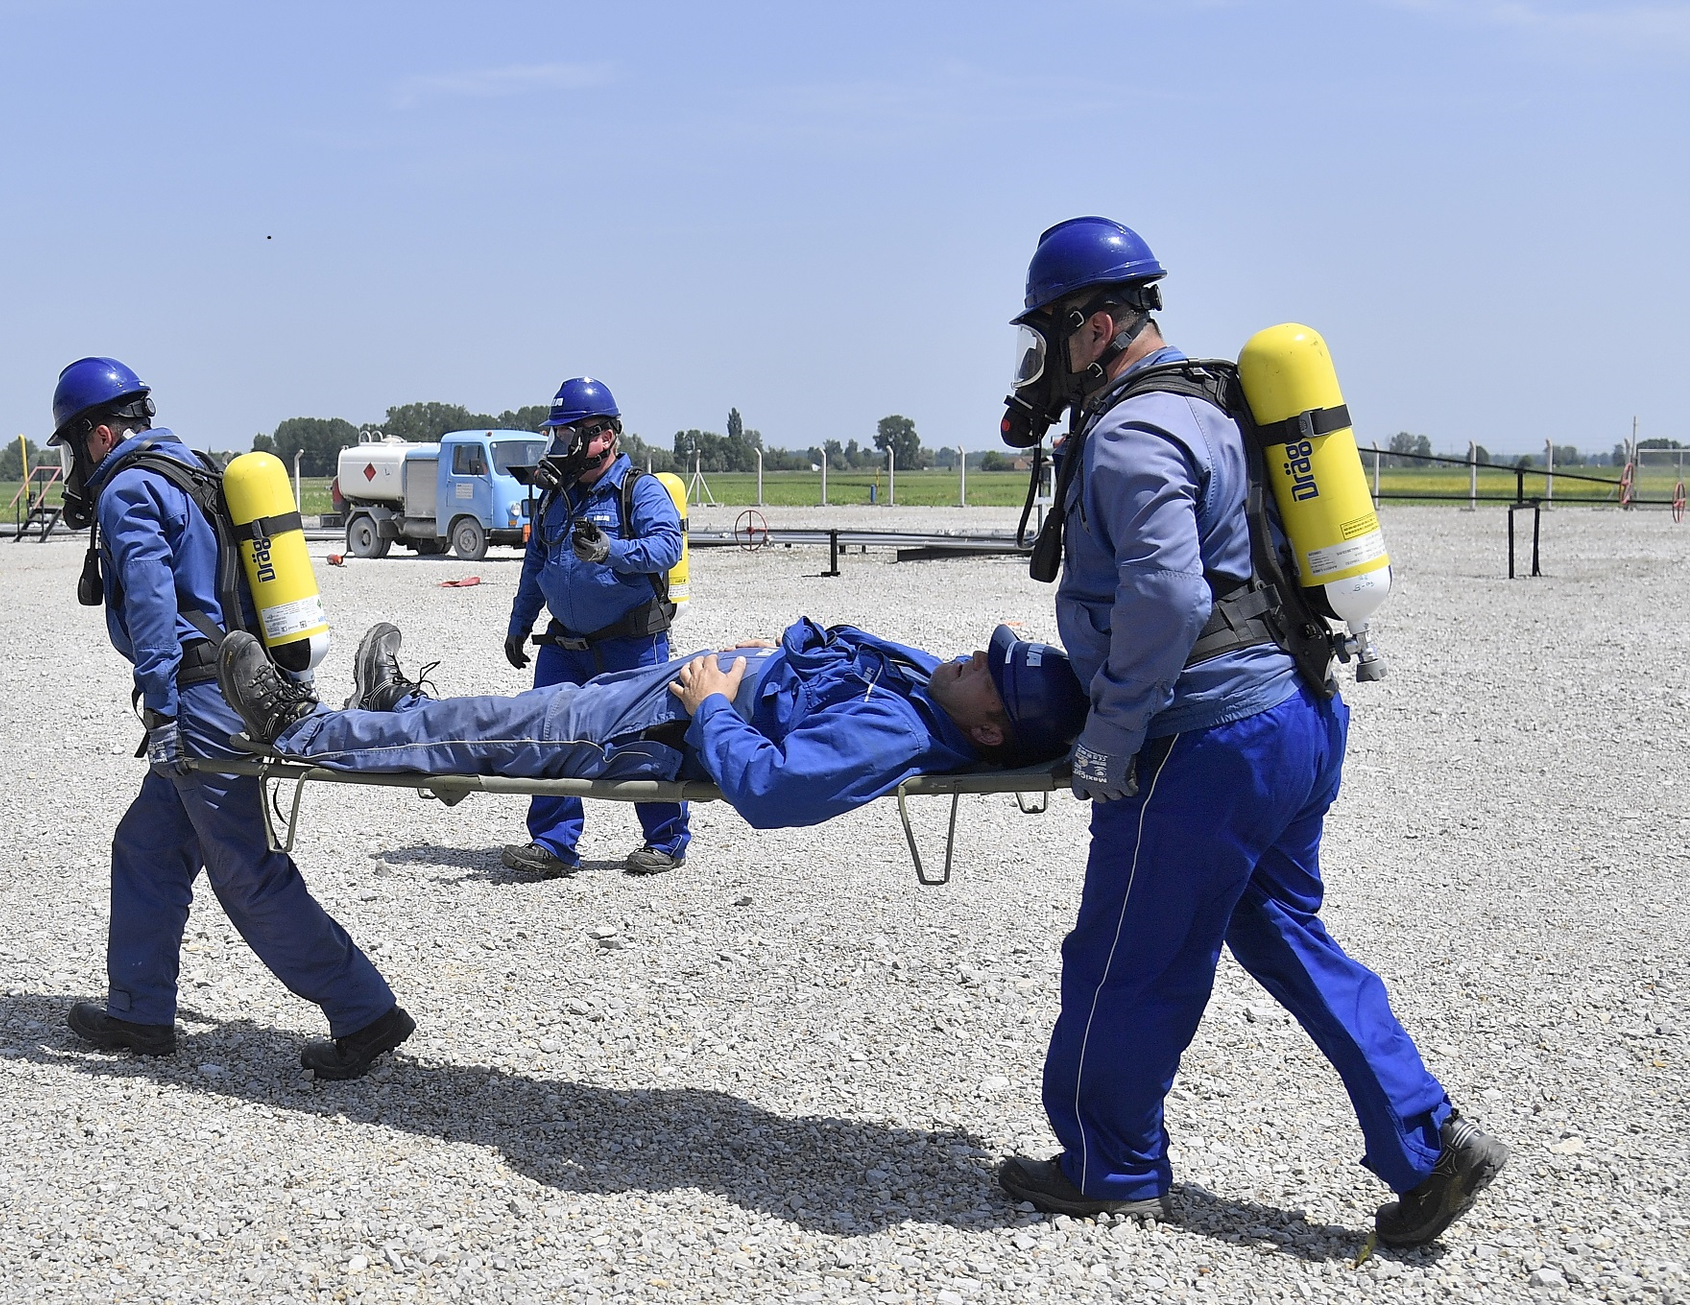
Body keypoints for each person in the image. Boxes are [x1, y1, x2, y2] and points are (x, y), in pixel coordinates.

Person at [992, 218, 1506, 1245]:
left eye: (1046, 339)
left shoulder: (1135, 435)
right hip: (1297, 718)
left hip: (1205, 744)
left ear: (1096, 326)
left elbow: (1169, 596)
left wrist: (1112, 731)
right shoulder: (1219, 405)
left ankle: (1109, 1165)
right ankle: (1429, 1139)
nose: (1036, 366)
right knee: (1281, 929)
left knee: (1125, 959)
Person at [48, 357, 413, 1079]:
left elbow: (153, 607)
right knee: (147, 846)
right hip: (235, 682)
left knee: (245, 872)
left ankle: (365, 1010)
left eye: (69, 445)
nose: (72, 464)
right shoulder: (193, 468)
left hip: (197, 697)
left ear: (96, 436)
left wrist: (162, 709)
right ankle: (139, 1010)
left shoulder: (128, 489)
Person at [216, 618, 1086, 831]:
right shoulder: (929, 692)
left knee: (500, 728)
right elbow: (832, 658)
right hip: (675, 688)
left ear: (991, 735)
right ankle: (398, 719)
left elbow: (774, 792)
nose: (977, 658)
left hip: (664, 725)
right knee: (502, 719)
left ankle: (302, 730)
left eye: (991, 676)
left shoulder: (897, 732)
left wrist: (710, 701)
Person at [502, 377, 689, 877]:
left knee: (646, 739)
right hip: (566, 643)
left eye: (568, 436)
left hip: (632, 643)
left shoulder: (638, 491)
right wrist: (520, 624)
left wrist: (614, 551)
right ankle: (554, 844)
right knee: (549, 733)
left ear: (603, 436)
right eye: (557, 436)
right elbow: (536, 564)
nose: (560, 446)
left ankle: (666, 840)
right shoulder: (555, 498)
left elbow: (668, 547)